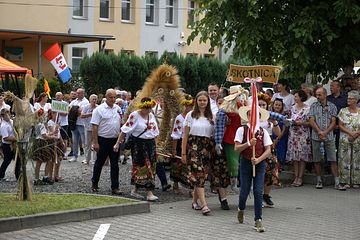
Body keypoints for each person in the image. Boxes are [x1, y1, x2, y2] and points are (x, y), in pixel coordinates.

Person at [235, 105, 272, 233]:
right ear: (248, 116)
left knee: (258, 191)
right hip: (246, 162)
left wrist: (259, 159)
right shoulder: (241, 130)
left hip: (259, 164)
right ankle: (241, 209)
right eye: (251, 115)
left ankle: (258, 220)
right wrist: (249, 143)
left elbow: (268, 150)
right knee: (244, 190)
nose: (254, 117)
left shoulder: (263, 131)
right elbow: (237, 148)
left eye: (257, 115)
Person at [114, 97, 159, 201]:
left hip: (150, 144)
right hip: (139, 145)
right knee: (142, 167)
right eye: (146, 108)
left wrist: (156, 147)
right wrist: (117, 143)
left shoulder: (151, 115)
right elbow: (124, 130)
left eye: (150, 108)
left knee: (151, 166)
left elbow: (155, 132)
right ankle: (149, 192)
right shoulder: (134, 115)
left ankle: (136, 190)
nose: (148, 110)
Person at [181, 91, 214, 215]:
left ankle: (194, 202)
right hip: (193, 146)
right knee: (199, 174)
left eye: (204, 100)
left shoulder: (211, 116)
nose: (202, 102)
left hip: (206, 148)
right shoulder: (190, 115)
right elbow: (185, 136)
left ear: (208, 102)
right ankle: (204, 205)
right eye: (200, 100)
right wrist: (183, 153)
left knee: (201, 177)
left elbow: (214, 134)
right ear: (196, 101)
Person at [214, 85, 248, 203]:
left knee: (244, 162)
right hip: (231, 138)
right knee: (233, 163)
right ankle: (233, 182)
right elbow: (219, 126)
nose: (240, 97)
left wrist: (280, 117)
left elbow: (261, 113)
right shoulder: (225, 108)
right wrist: (218, 142)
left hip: (245, 138)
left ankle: (244, 182)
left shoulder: (245, 106)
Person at [308, 87, 346, 190]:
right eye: (316, 94)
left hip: (329, 136)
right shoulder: (313, 106)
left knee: (333, 159)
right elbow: (311, 120)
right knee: (317, 159)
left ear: (325, 95)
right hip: (316, 136)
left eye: (320, 94)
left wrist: (325, 132)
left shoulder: (332, 106)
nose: (318, 96)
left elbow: (334, 121)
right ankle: (319, 180)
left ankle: (337, 182)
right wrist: (319, 131)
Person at [90, 89, 122, 195]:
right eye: (110, 97)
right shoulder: (99, 110)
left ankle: (115, 186)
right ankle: (94, 182)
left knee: (115, 164)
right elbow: (94, 126)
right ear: (106, 97)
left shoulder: (118, 108)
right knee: (99, 162)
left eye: (114, 97)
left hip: (115, 140)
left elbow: (121, 123)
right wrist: (95, 142)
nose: (113, 99)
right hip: (103, 139)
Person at [258, 93, 281, 208]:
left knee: (270, 171)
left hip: (269, 147)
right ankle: (258, 195)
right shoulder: (252, 117)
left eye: (264, 105)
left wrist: (275, 122)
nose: (262, 107)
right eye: (259, 105)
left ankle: (266, 195)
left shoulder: (269, 119)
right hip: (257, 147)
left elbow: (278, 133)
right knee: (259, 172)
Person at [286, 90, 312, 187]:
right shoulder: (292, 108)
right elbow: (288, 119)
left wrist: (300, 123)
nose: (294, 98)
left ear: (301, 97)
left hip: (303, 135)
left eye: (296, 96)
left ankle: (300, 177)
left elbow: (311, 123)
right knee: (295, 157)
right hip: (293, 134)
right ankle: (295, 176)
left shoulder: (308, 108)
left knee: (302, 157)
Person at [170, 94, 194, 194]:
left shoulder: (194, 117)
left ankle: (191, 187)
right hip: (181, 142)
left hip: (191, 142)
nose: (189, 108)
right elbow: (175, 134)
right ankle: (175, 184)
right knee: (178, 164)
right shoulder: (179, 118)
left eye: (191, 106)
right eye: (188, 105)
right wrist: (174, 149)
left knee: (191, 165)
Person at [338, 90, 360, 188]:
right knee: (345, 159)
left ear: (356, 100)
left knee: (357, 159)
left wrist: (356, 134)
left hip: (357, 138)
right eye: (348, 98)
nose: (348, 100)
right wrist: (350, 133)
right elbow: (340, 125)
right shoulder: (343, 111)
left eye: (350, 99)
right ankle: (345, 181)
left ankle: (356, 181)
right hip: (345, 138)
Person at [68, 88, 89, 162]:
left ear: (83, 93)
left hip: (82, 123)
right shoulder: (74, 101)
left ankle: (86, 157)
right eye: (77, 93)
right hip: (74, 123)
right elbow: (69, 109)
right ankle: (75, 156)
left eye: (78, 93)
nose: (77, 94)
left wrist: (74, 110)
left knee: (84, 141)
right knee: (75, 140)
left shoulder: (86, 102)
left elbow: (81, 111)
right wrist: (75, 110)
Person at [0, 109, 20, 181]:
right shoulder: (3, 125)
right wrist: (16, 138)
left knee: (18, 159)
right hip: (7, 146)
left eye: (9, 114)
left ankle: (18, 175)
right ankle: (1, 175)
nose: (9, 116)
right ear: (3, 116)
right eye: (7, 114)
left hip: (14, 144)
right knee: (7, 161)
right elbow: (5, 138)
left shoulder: (11, 122)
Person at [81, 94, 98, 164]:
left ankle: (94, 160)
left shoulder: (98, 107)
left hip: (96, 129)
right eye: (93, 99)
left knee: (95, 144)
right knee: (87, 144)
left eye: (95, 99)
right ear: (90, 100)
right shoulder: (86, 107)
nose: (94, 100)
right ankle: (87, 159)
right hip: (88, 128)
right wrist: (91, 114)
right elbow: (82, 115)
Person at [54, 92, 69, 160]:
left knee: (64, 138)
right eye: (57, 96)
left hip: (63, 123)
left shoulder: (65, 104)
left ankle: (64, 153)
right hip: (55, 123)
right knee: (56, 138)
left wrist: (58, 110)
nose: (58, 97)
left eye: (59, 96)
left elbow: (65, 113)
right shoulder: (54, 103)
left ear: (62, 96)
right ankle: (57, 152)